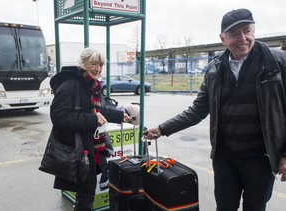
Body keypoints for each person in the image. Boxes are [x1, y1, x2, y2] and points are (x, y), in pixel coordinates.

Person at [144, 8, 286, 211]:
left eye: (247, 30)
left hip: (260, 159)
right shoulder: (214, 69)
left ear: (254, 30)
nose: (243, 38)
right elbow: (197, 110)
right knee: (224, 208)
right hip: (224, 158)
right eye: (235, 33)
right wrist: (162, 128)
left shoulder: (277, 63)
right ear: (222, 38)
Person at [49, 48, 130, 211]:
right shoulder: (69, 85)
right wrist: (92, 119)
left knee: (86, 194)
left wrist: (119, 116)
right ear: (82, 64)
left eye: (100, 64)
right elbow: (58, 118)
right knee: (85, 196)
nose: (98, 68)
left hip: (92, 149)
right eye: (93, 63)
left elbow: (97, 111)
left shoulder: (92, 86)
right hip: (79, 150)